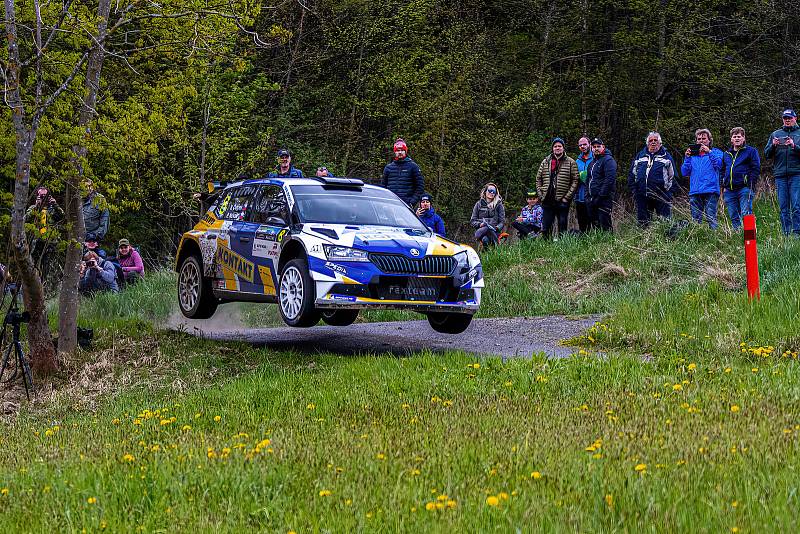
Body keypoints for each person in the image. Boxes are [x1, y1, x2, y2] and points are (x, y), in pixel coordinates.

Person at [628, 132, 676, 227]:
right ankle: (644, 240)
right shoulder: (640, 156)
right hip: (642, 195)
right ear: (647, 143)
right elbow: (632, 174)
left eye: (656, 140)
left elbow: (673, 176)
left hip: (662, 196)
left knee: (665, 223)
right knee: (643, 223)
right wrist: (635, 190)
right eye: (651, 140)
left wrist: (669, 193)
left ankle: (667, 240)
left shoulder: (666, 156)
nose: (653, 142)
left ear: (660, 143)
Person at [764, 109, 800, 235]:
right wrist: (773, 145)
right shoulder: (775, 134)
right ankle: (786, 234)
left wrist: (794, 146)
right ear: (782, 119)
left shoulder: (799, 133)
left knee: (796, 205)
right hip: (780, 175)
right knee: (784, 207)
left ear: (795, 118)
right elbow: (766, 154)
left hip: (796, 174)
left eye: (790, 118)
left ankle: (797, 233)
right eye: (785, 118)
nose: (787, 120)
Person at [534, 137, 579, 238]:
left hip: (562, 200)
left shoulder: (571, 162)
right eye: (555, 146)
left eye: (559, 146)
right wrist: (541, 195)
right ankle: (546, 248)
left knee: (562, 225)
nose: (557, 148)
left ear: (563, 148)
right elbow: (538, 179)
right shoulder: (546, 161)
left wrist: (567, 197)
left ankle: (561, 248)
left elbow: (575, 180)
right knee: (546, 227)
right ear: (552, 148)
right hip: (547, 199)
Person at [682, 128, 723, 229]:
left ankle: (715, 239)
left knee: (711, 217)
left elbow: (719, 165)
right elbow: (684, 172)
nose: (701, 141)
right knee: (695, 219)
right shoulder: (692, 156)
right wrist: (687, 158)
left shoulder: (716, 152)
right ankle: (697, 239)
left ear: (709, 140)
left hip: (711, 190)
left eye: (704, 138)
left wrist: (709, 152)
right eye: (699, 139)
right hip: (695, 191)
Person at [721, 127, 761, 230]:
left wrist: (750, 184)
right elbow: (722, 170)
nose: (737, 139)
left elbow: (755, 168)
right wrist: (723, 184)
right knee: (734, 216)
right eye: (734, 137)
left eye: (739, 136)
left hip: (744, 188)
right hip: (729, 190)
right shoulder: (726, 154)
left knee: (746, 214)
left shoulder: (751, 151)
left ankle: (750, 239)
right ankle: (738, 237)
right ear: (731, 139)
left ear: (743, 138)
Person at [586, 138, 617, 232]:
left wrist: (600, 196)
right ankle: (598, 245)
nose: (596, 149)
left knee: (605, 224)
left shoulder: (608, 160)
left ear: (603, 147)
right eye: (594, 147)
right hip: (592, 199)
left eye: (598, 146)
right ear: (591, 149)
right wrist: (587, 196)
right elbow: (588, 180)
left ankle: (609, 245)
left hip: (604, 199)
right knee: (596, 225)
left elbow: (609, 180)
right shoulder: (592, 163)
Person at [381, 138, 425, 206]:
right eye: (398, 150)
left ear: (405, 151)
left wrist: (412, 202)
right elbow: (383, 187)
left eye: (402, 150)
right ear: (395, 152)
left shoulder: (413, 167)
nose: (400, 152)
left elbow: (420, 186)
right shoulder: (388, 168)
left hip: (406, 205)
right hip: (390, 204)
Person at [470, 183, 505, 247]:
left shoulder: (499, 205)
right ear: (485, 191)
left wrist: (497, 228)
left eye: (494, 191)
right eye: (490, 190)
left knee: (485, 239)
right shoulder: (478, 204)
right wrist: (480, 224)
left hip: (495, 231)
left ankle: (490, 254)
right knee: (486, 229)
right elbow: (472, 221)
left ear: (495, 194)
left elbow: (502, 222)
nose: (491, 192)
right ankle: (498, 246)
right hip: (482, 230)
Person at [574, 137, 594, 233]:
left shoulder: (595, 157)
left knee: (594, 222)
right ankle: (583, 244)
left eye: (585, 144)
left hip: (592, 197)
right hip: (579, 197)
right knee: (582, 223)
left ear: (589, 144)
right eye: (580, 145)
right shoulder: (577, 161)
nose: (583, 146)